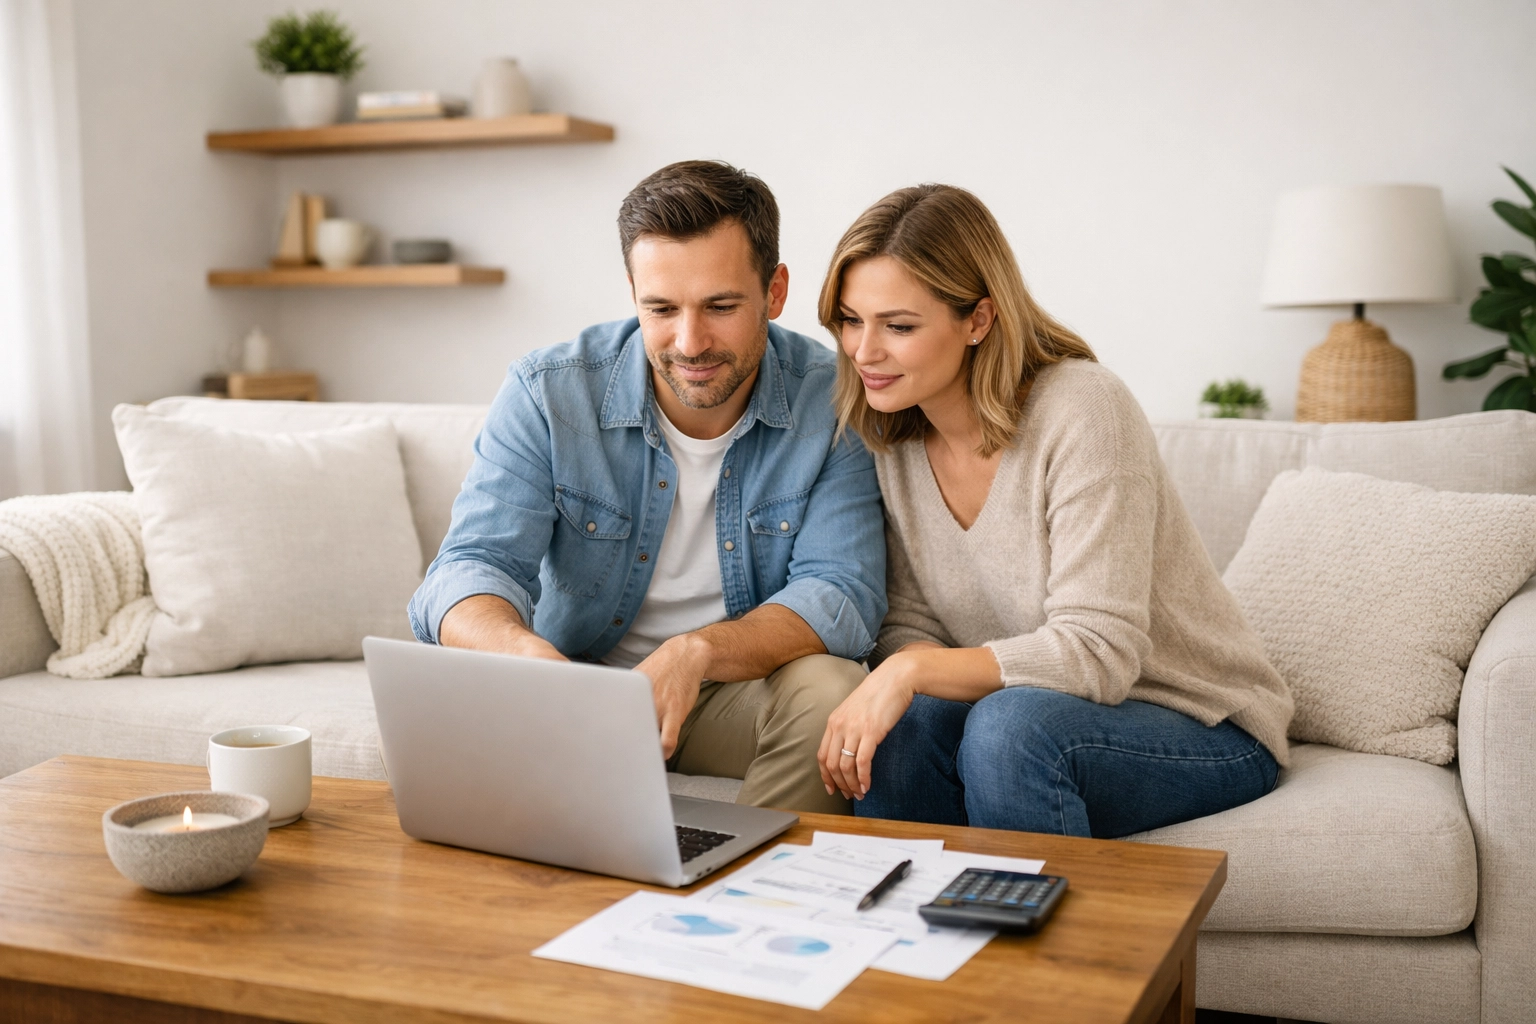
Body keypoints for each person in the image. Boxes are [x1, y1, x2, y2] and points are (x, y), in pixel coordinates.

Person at [812, 184, 1292, 837]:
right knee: (904, 726)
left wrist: (912, 668)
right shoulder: (890, 431)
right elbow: (908, 619)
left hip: (1199, 723)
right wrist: (906, 670)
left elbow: (1100, 651)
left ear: (977, 319)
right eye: (849, 320)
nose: (864, 352)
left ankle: (1049, 940)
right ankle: (904, 931)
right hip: (1033, 710)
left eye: (898, 326)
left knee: (1009, 731)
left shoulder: (1083, 410)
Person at [408, 160, 886, 815]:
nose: (690, 342)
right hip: (578, 686)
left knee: (830, 687)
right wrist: (527, 657)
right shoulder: (548, 391)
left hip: (730, 691)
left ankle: (751, 890)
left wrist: (695, 654)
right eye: (661, 309)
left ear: (774, 293)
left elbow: (842, 595)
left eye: (721, 306)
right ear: (633, 291)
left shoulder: (833, 400)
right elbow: (468, 570)